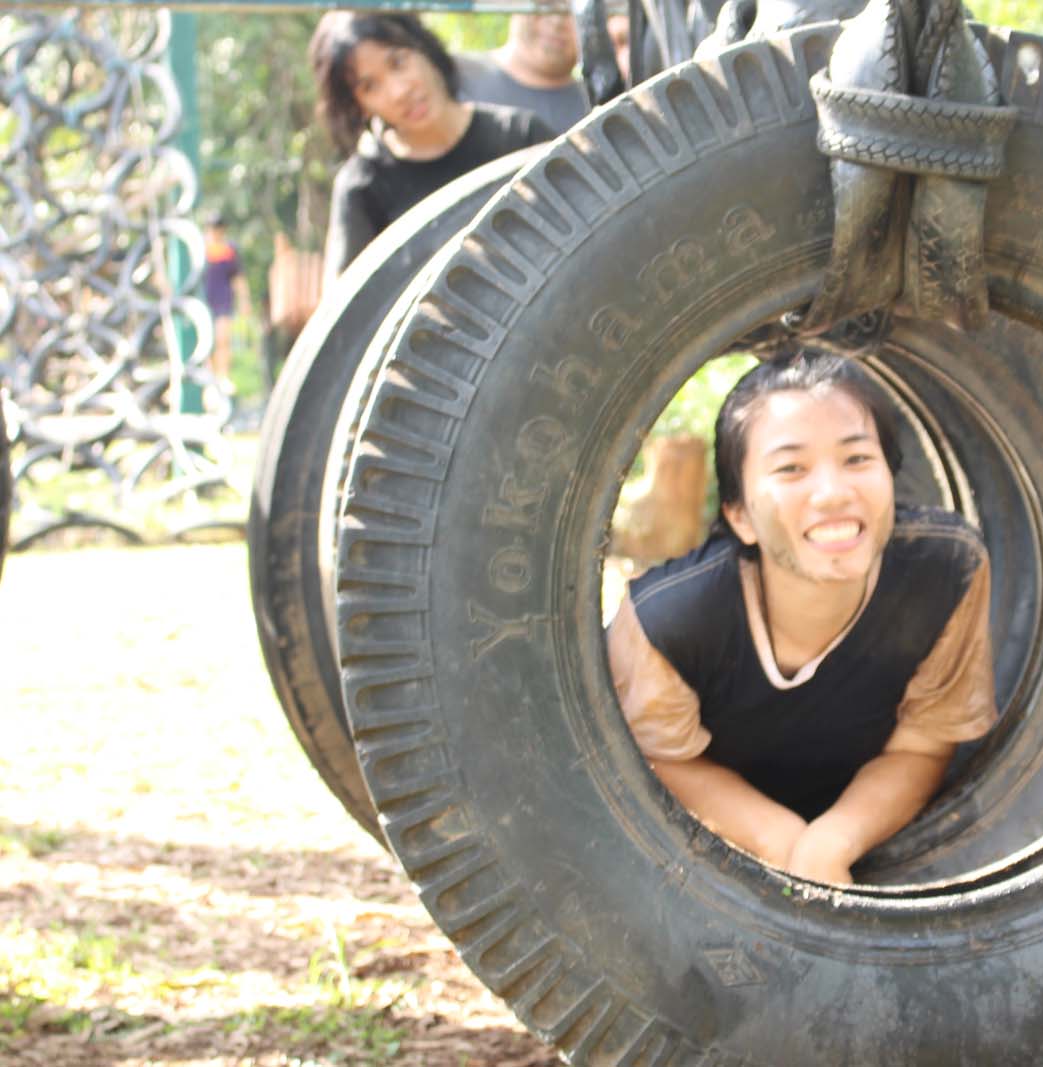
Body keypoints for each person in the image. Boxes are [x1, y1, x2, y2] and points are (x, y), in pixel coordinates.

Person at [607, 352, 998, 885]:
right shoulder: (668, 621)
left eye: (857, 458)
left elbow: (922, 745)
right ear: (740, 516)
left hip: (871, 829)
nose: (833, 493)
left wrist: (829, 845)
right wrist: (785, 843)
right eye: (791, 468)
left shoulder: (944, 570)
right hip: (702, 855)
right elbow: (657, 760)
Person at [310, 12, 557, 285]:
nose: (399, 91)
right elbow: (351, 303)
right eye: (370, 86)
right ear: (359, 106)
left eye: (398, 62)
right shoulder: (363, 188)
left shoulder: (522, 137)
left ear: (422, 47)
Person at [454, 11, 589, 134]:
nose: (557, 21)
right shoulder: (451, 77)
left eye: (572, 9)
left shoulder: (595, 107)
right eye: (545, 3)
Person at [201, 214, 249, 392]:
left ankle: (223, 376)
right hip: (204, 301)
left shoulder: (229, 250)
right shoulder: (200, 249)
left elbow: (238, 277)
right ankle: (209, 377)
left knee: (223, 339)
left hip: (223, 300)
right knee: (207, 342)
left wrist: (244, 300)